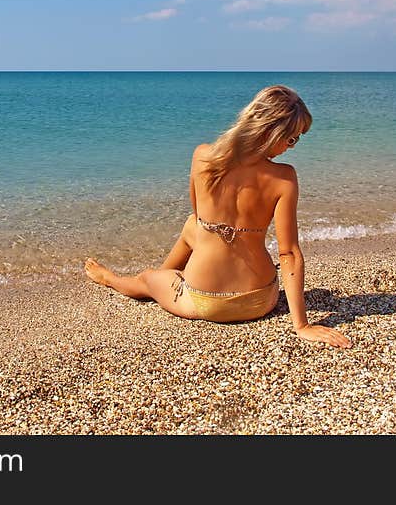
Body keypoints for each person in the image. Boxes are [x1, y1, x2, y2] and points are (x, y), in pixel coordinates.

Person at [84, 84, 352, 348]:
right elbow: (289, 253)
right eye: (292, 138)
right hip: (260, 299)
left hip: (203, 300)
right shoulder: (284, 178)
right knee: (193, 227)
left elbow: (201, 214)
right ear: (271, 132)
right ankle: (164, 276)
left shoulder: (203, 157)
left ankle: (118, 280)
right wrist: (301, 325)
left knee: (148, 275)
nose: (292, 147)